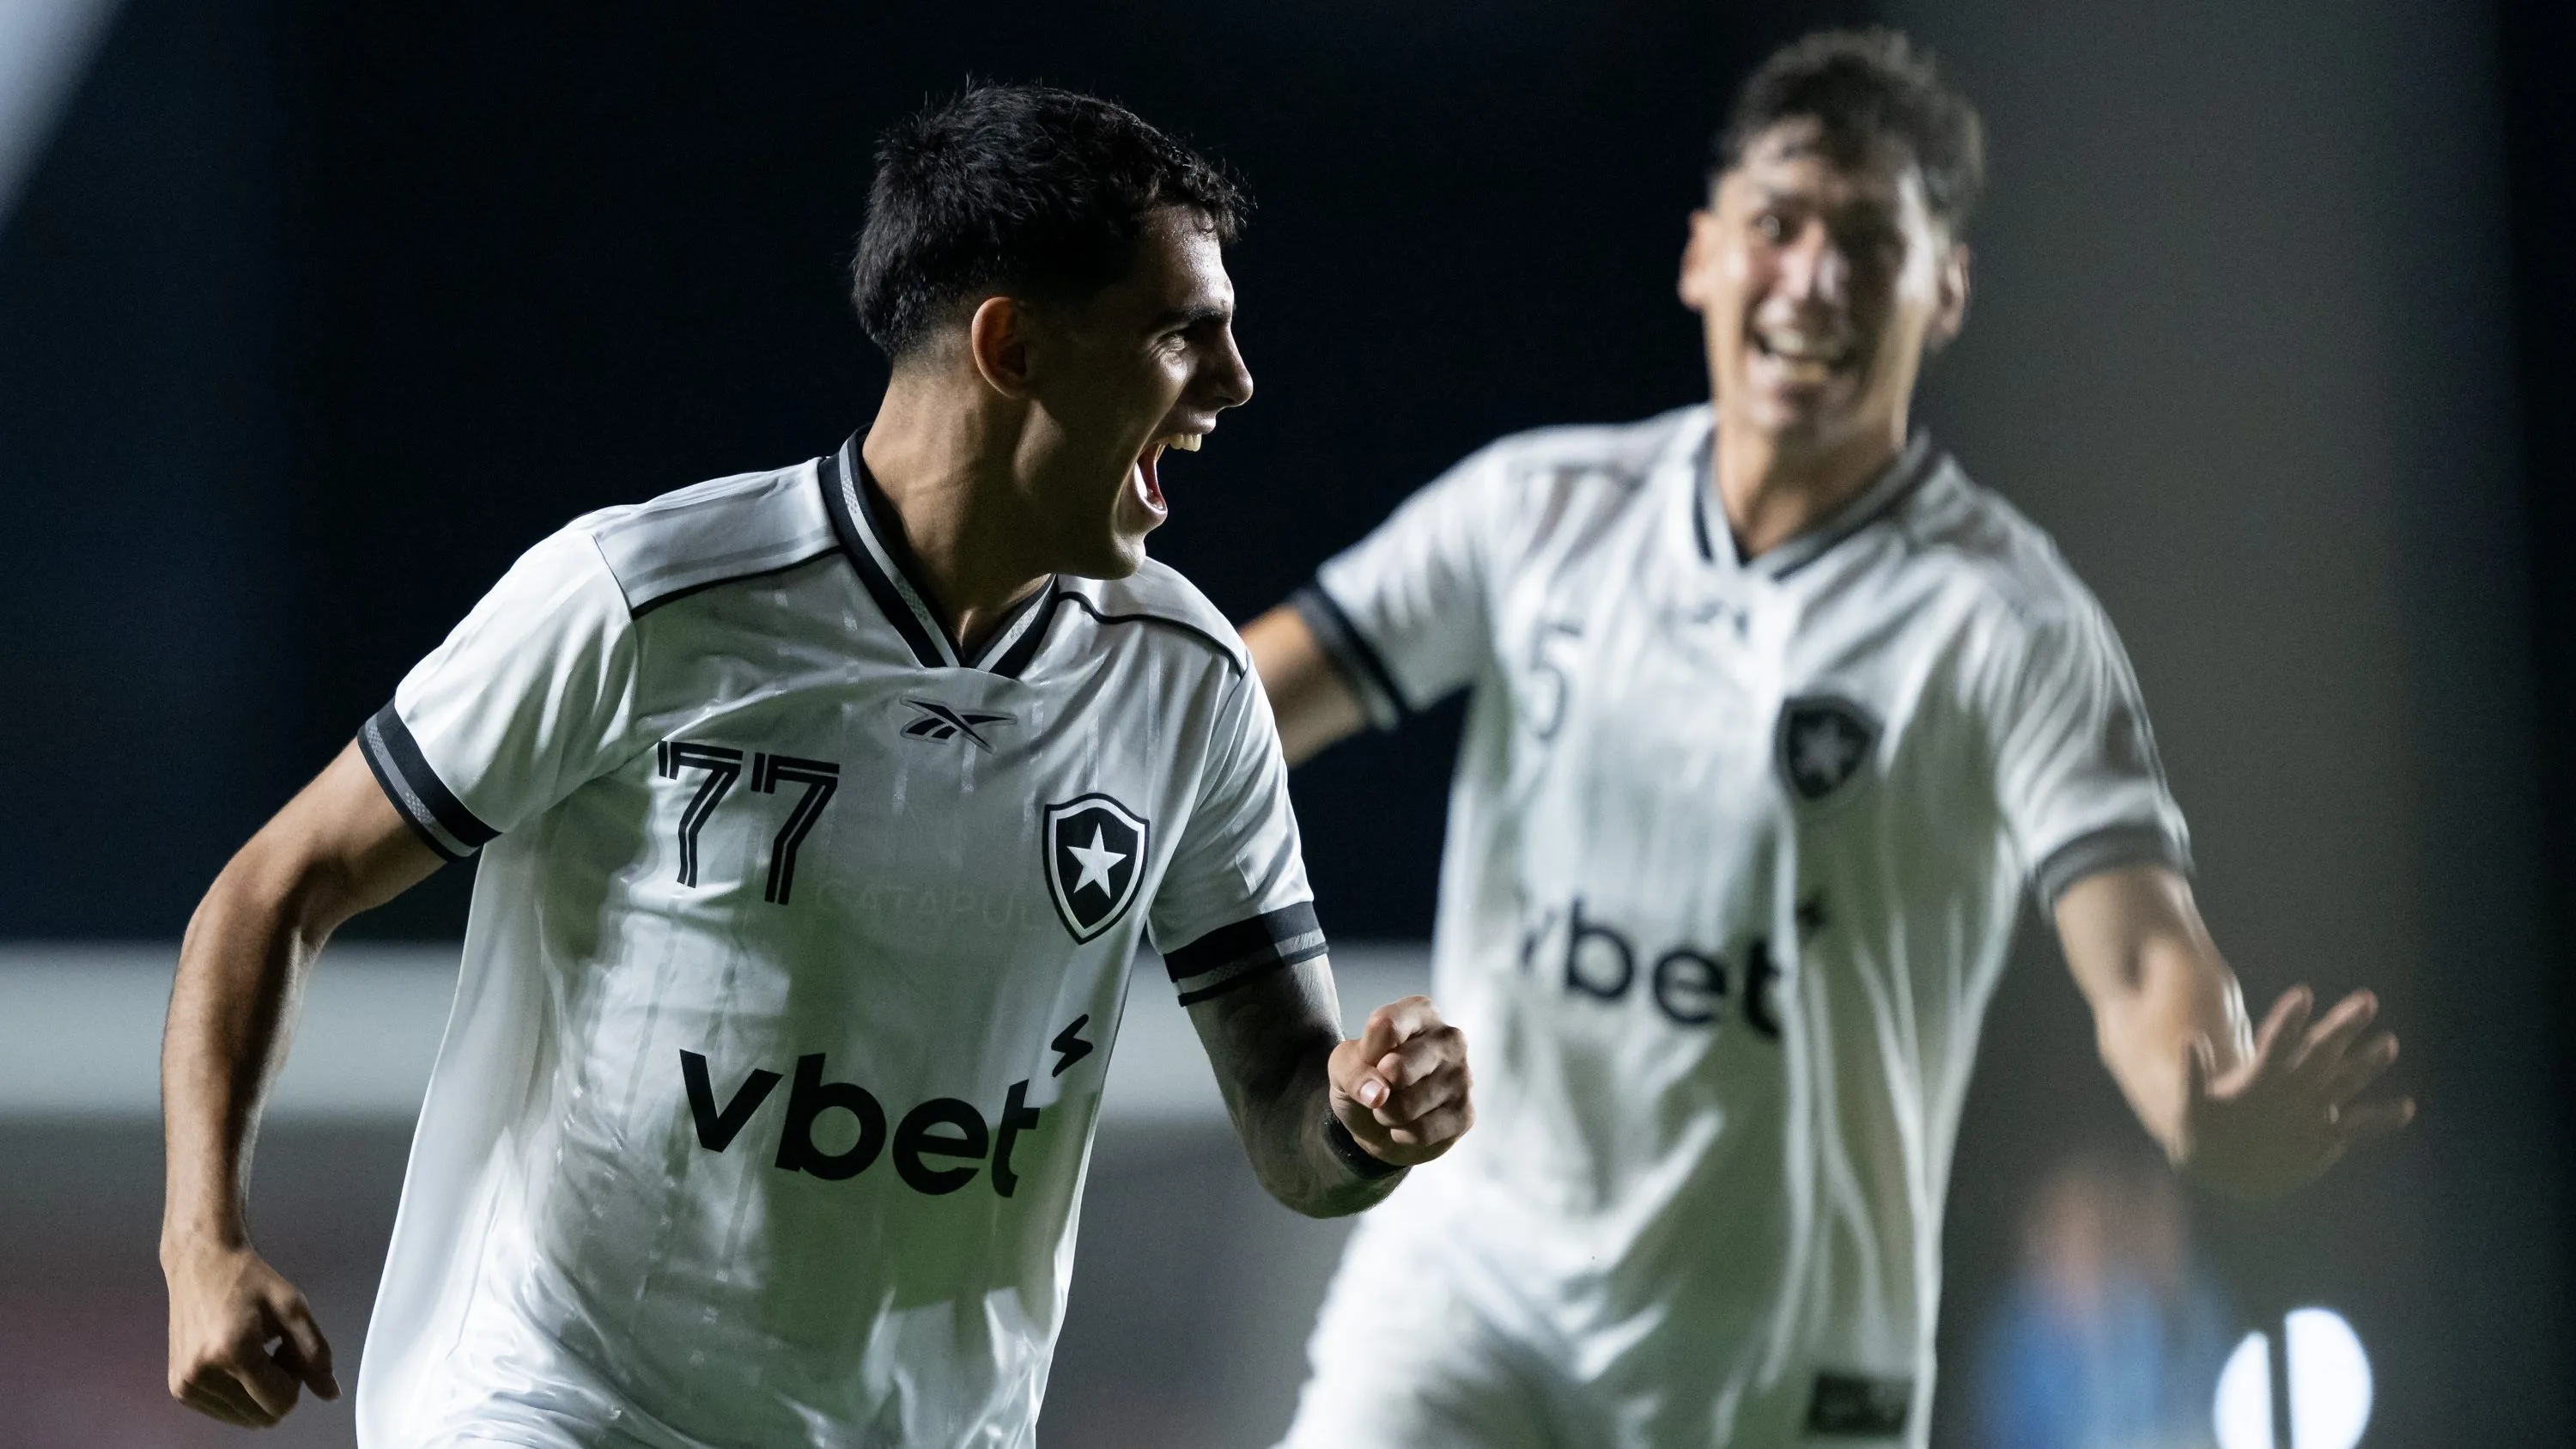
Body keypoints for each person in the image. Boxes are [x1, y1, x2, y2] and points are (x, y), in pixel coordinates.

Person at [158, 84, 1472, 1446]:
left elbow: (1294, 1126)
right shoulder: (644, 599)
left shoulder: (1184, 682)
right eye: (1181, 331)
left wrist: (1364, 1121)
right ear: (1012, 344)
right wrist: (202, 1244)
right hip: (560, 1399)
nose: (1235, 381)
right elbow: (279, 885)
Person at [1244, 29, 2411, 1449]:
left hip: (1791, 1368)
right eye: (1779, 225)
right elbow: (1236, 711)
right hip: (1474, 1308)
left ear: (1947, 289)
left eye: (1870, 243)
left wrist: (2198, 1092)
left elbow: (2140, 951)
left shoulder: (2007, 623)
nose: (1815, 278)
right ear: (1702, 254)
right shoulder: (1533, 514)